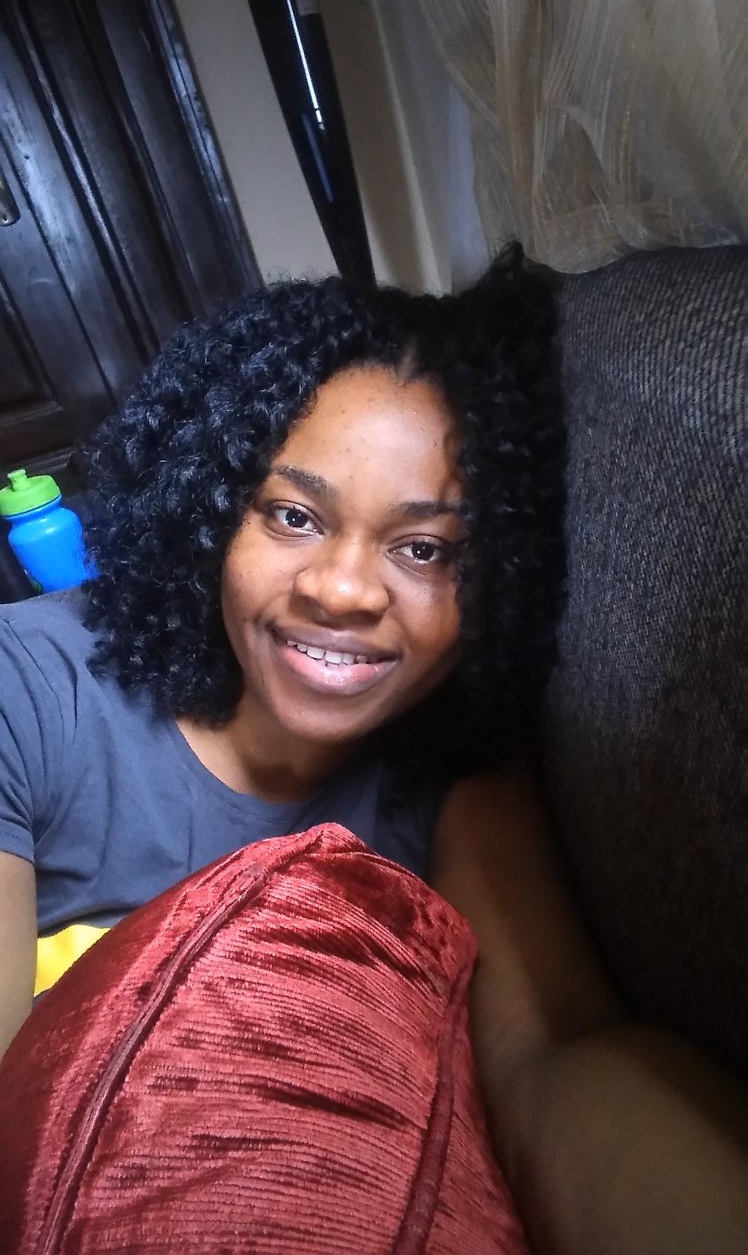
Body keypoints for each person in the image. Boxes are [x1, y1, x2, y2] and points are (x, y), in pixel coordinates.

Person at [0, 246, 745, 1253]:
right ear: (210, 512)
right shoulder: (26, 689)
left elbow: (552, 1056)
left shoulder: (456, 776)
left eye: (423, 549)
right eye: (293, 515)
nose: (343, 589)